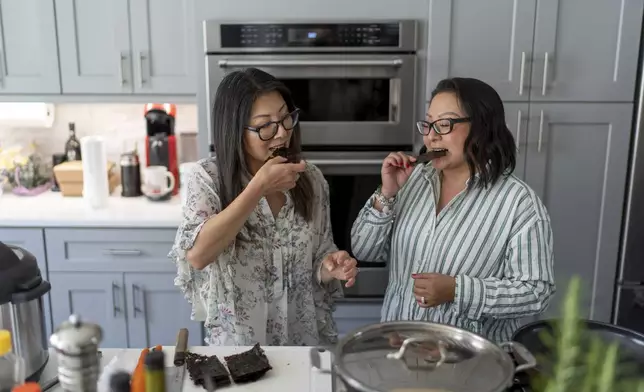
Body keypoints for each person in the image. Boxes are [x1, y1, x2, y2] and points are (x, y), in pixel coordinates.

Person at [350, 77, 556, 343]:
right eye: (428, 123)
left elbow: (537, 293)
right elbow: (364, 250)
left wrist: (458, 290)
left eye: (444, 124)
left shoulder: (519, 204)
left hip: (468, 363)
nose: (431, 136)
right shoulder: (412, 181)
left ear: (482, 127)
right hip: (398, 349)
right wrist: (387, 193)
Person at [168, 68, 359, 346]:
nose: (282, 133)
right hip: (241, 346)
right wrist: (258, 188)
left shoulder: (311, 178)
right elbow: (198, 256)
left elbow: (318, 254)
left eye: (285, 118)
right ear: (235, 130)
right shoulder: (208, 178)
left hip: (302, 342)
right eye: (265, 125)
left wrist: (330, 266)